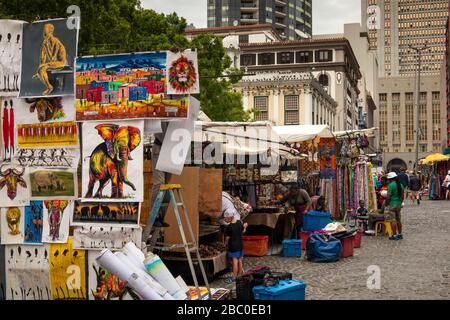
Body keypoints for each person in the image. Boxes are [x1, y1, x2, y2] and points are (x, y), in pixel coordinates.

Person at [33, 23, 67, 95]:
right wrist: (40, 67)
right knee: (41, 70)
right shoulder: (45, 43)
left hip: (60, 62)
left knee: (43, 67)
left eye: (46, 33)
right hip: (52, 63)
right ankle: (49, 86)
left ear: (51, 32)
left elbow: (53, 58)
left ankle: (49, 87)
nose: (44, 35)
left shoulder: (56, 42)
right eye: (43, 33)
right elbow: (43, 57)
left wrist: (46, 48)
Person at [224, 209, 248, 284]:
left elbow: (227, 238)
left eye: (226, 218)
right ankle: (240, 275)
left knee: (235, 261)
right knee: (240, 260)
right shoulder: (239, 223)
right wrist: (245, 227)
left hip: (233, 246)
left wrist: (225, 244)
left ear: (230, 217)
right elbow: (243, 231)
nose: (225, 219)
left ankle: (234, 277)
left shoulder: (229, 227)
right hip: (240, 245)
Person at [384, 172, 405, 240]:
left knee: (393, 220)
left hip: (392, 204)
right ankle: (400, 234)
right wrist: (400, 202)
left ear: (390, 179)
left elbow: (388, 196)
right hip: (398, 204)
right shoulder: (401, 185)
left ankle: (394, 235)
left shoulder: (391, 185)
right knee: (398, 220)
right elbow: (402, 196)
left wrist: (386, 203)